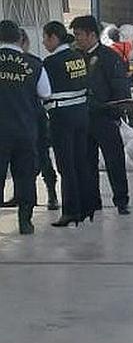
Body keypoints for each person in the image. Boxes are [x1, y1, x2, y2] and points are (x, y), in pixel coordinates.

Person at [70, 14, 132, 217]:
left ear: (91, 34)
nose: (76, 38)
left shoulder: (109, 57)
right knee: (87, 163)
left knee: (114, 162)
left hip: (105, 117)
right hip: (83, 118)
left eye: (78, 34)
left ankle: (121, 201)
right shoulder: (74, 57)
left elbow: (120, 87)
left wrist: (116, 113)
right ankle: (92, 202)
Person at [0, 19, 51, 235]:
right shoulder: (34, 63)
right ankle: (25, 222)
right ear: (20, 39)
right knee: (25, 176)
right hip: (25, 129)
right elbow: (46, 93)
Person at [42, 21, 90, 227]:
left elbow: (44, 92)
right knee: (80, 162)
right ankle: (85, 206)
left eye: (45, 38)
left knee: (66, 166)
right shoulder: (78, 57)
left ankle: (70, 211)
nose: (44, 42)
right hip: (81, 114)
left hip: (61, 117)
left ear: (54, 37)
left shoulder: (51, 63)